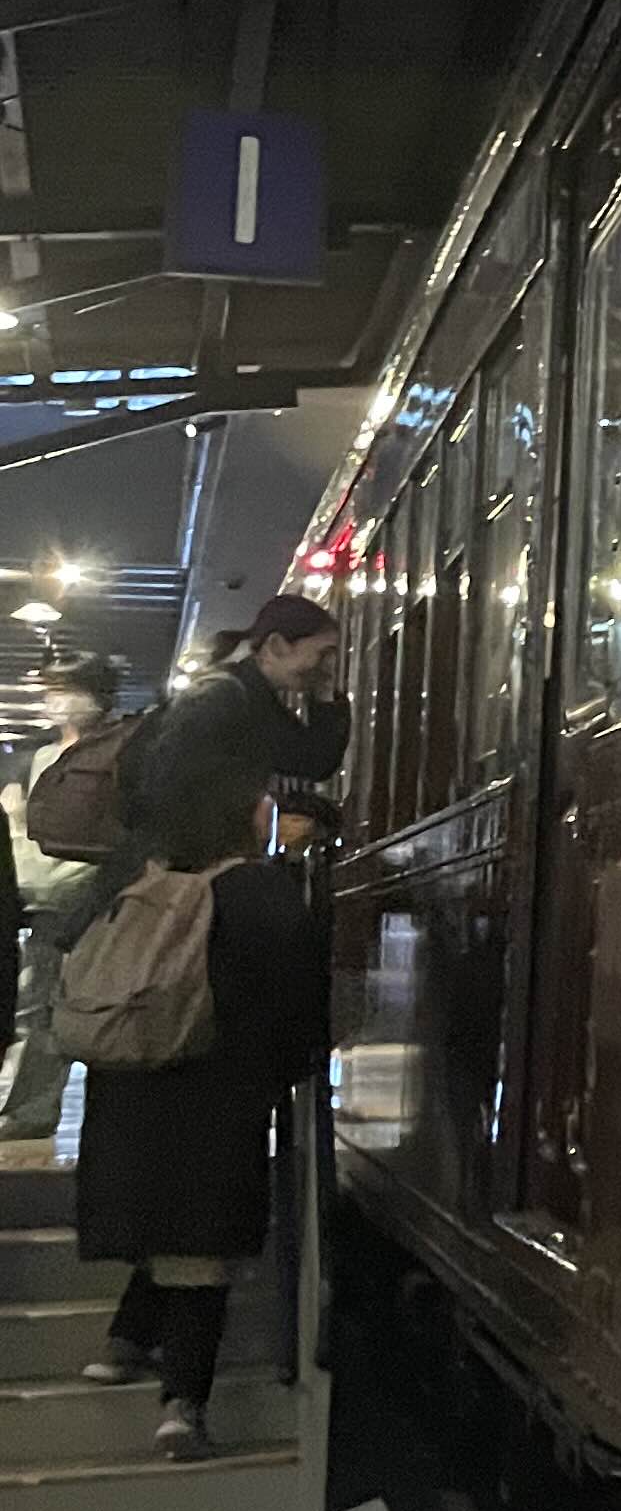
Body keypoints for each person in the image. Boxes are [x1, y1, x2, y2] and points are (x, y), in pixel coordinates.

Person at [74, 597, 346, 1460]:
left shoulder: (141, 895)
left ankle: (124, 1340)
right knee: (201, 1247)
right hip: (217, 1100)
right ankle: (182, 1404)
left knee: (162, 1220)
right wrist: (295, 1066)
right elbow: (296, 1006)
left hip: (137, 1097)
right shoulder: (256, 894)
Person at [0, 657, 119, 1139]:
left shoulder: (119, 754)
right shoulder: (37, 757)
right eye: (52, 689)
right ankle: (32, 1109)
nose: (57, 700)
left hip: (92, 896)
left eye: (68, 689)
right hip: (42, 899)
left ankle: (42, 1111)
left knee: (82, 1005)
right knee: (37, 1004)